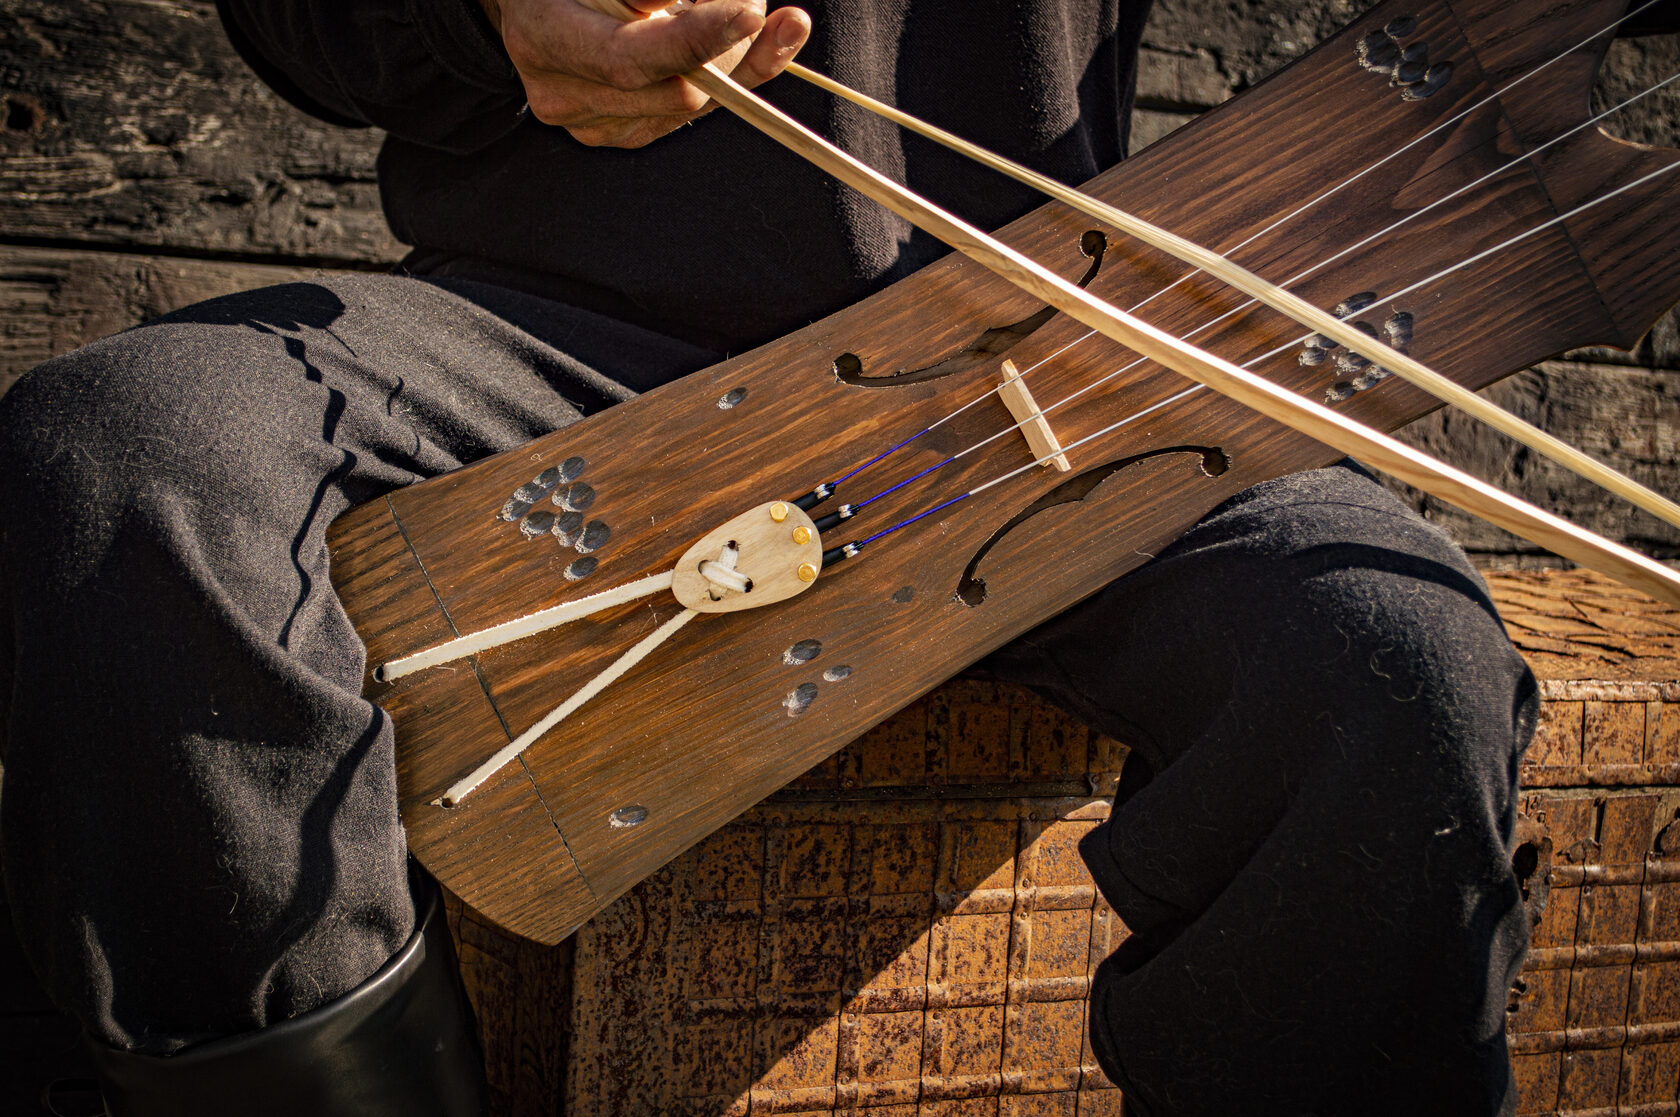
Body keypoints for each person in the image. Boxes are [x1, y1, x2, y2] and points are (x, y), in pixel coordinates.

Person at [0, 0, 1537, 1113]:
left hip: (1048, 372)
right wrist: (489, 22)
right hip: (546, 348)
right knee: (123, 450)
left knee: (1393, 652)